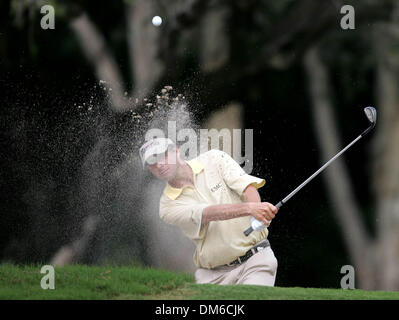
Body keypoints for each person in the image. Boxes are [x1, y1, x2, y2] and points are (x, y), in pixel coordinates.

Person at [139, 137, 279, 286]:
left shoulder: (214, 158)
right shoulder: (167, 206)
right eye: (151, 163)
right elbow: (208, 213)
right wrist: (250, 209)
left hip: (255, 260)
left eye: (163, 156)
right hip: (211, 276)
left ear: (177, 152)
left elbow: (246, 187)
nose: (159, 165)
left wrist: (257, 212)